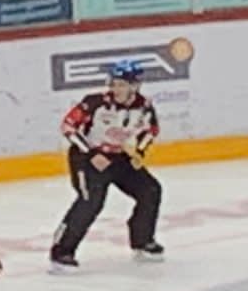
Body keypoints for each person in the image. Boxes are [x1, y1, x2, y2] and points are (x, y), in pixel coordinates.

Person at [49, 60, 164, 269]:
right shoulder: (95, 103)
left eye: (121, 85)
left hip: (119, 158)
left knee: (150, 190)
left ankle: (143, 241)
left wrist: (139, 151)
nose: (115, 89)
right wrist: (91, 153)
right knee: (91, 201)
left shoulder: (144, 107)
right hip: (86, 158)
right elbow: (68, 126)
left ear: (134, 86)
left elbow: (151, 130)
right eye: (114, 84)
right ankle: (62, 251)